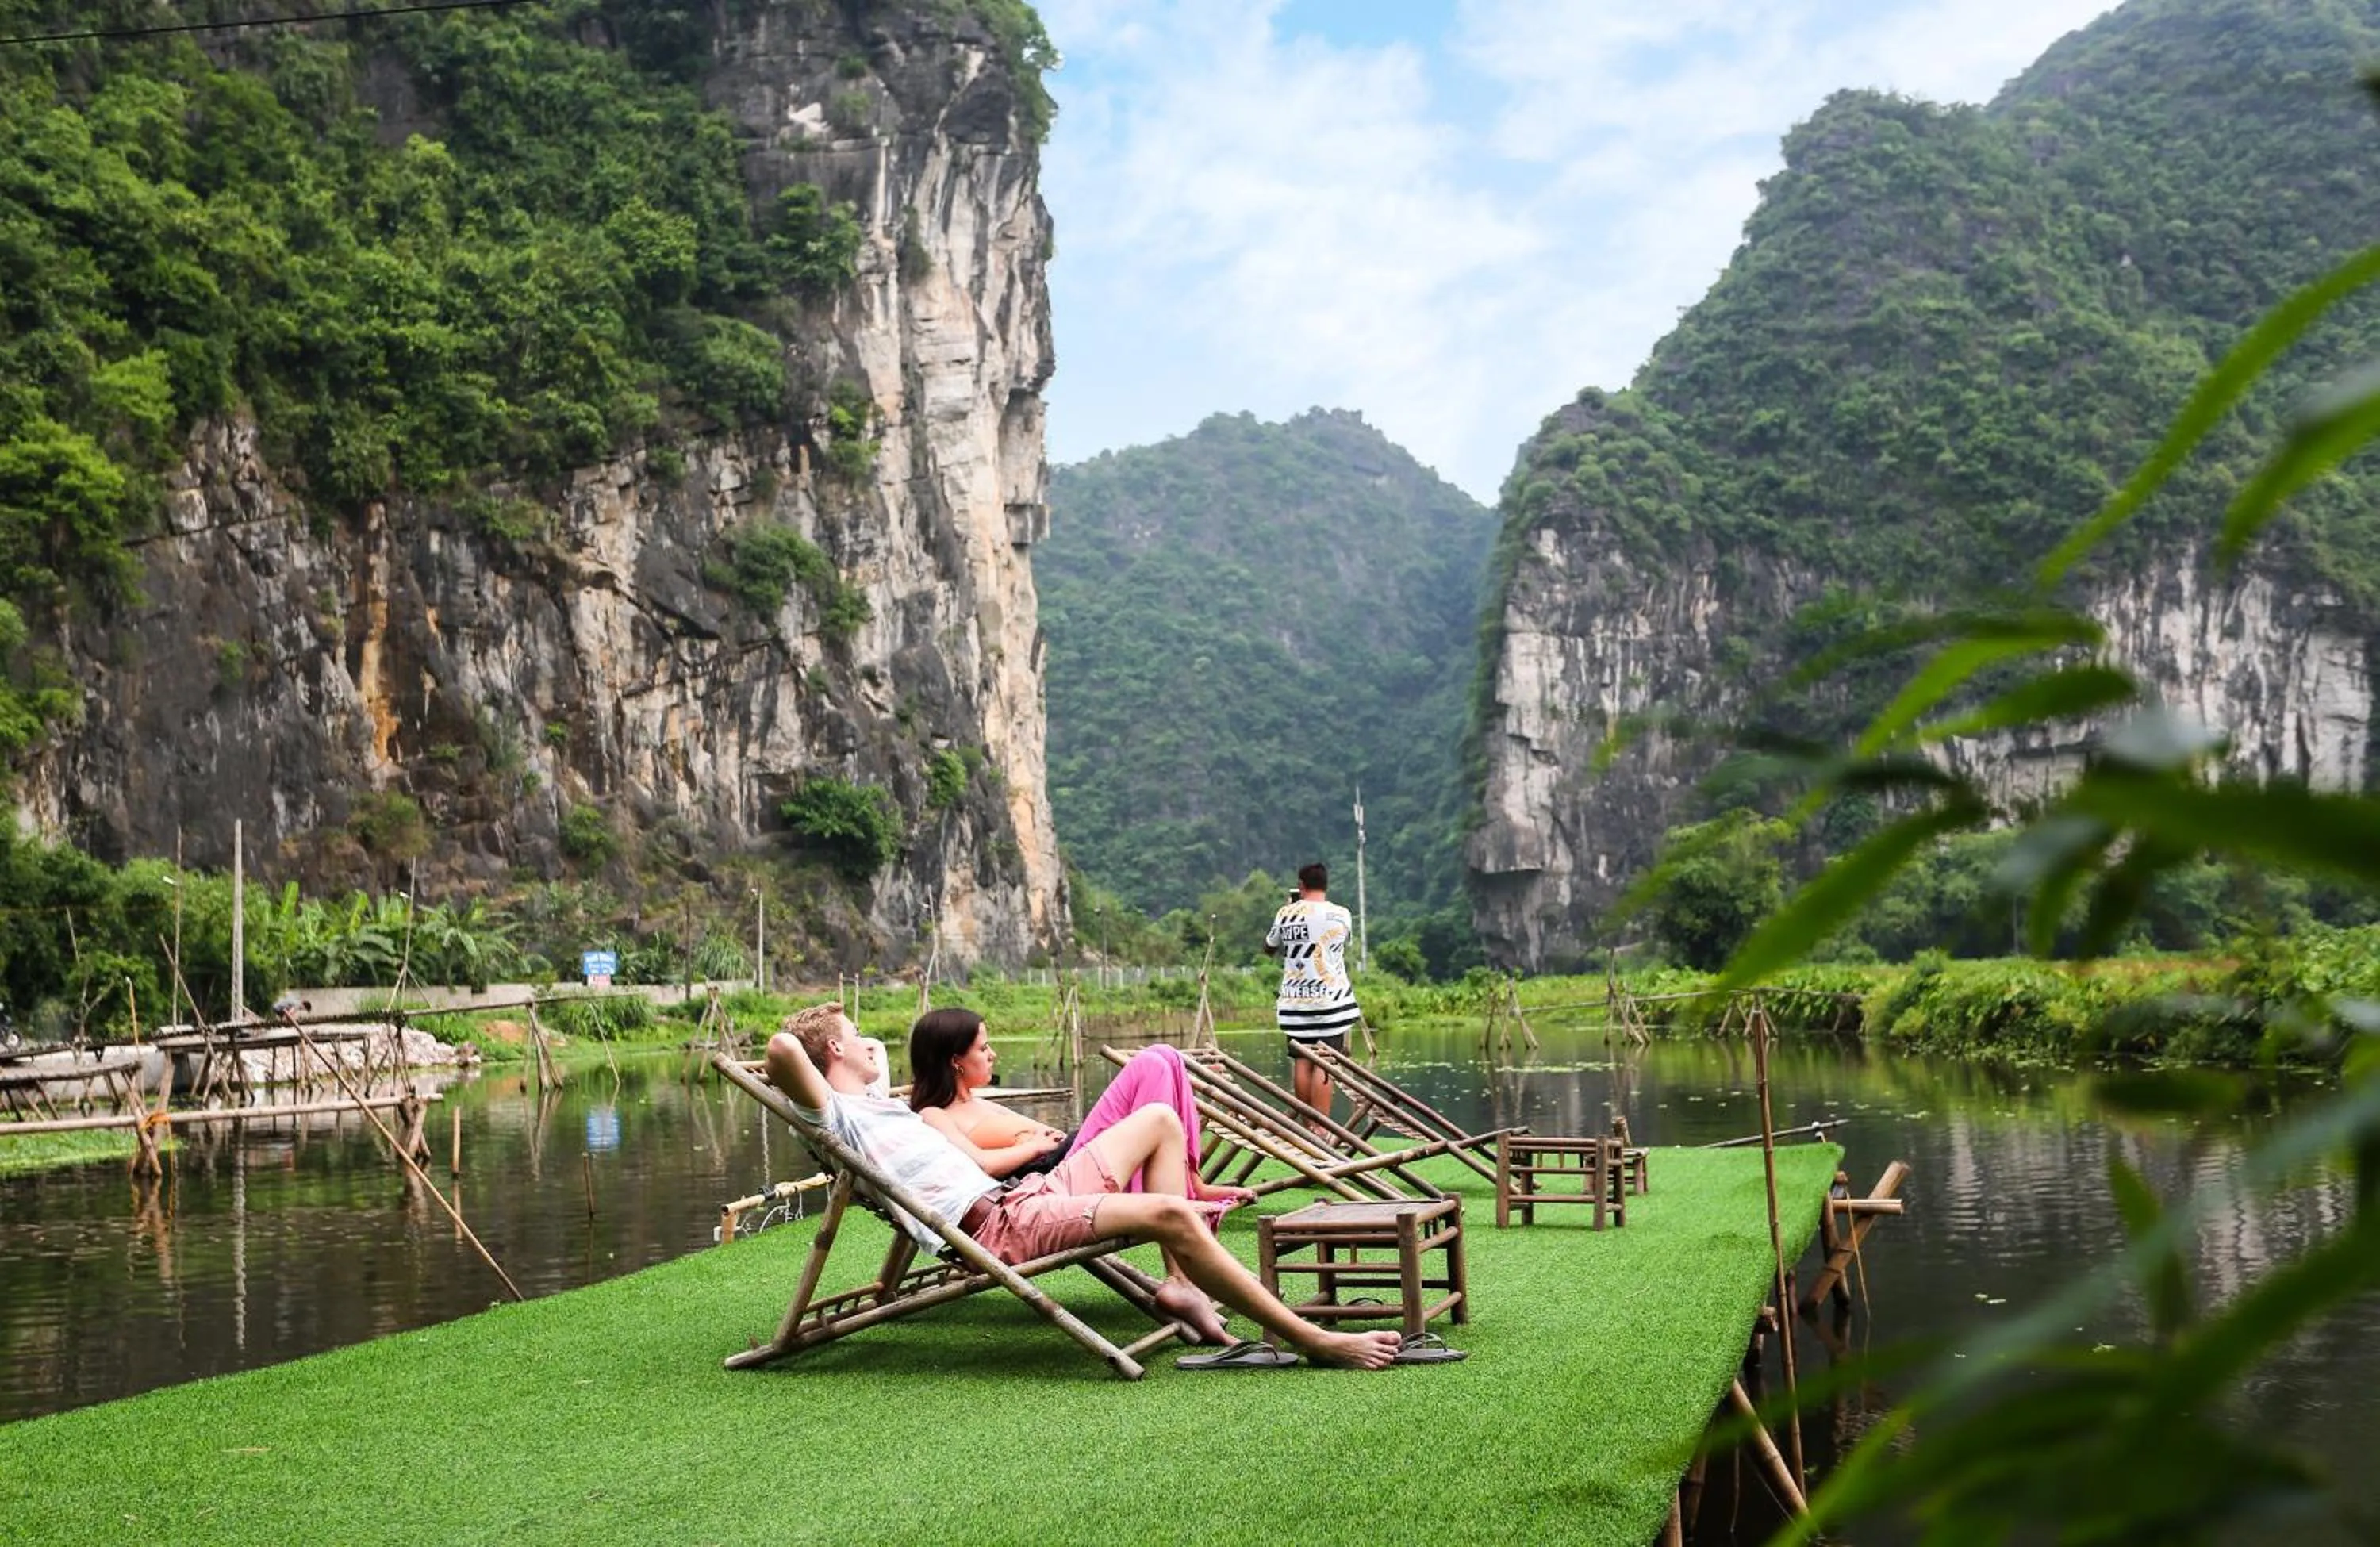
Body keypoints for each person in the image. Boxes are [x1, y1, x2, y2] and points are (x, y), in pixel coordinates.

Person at [765, 1003, 1402, 1369]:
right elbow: (780, 1049)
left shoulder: (877, 1104)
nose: (871, 1047)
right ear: (831, 1056)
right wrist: (829, 1039)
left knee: (1158, 1119)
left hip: (1027, 1196)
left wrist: (855, 1045)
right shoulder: (835, 1114)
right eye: (855, 1041)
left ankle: (1180, 1286)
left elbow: (836, 1051)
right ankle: (1315, 1341)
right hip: (995, 1227)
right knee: (1170, 1214)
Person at [907, 1008, 1248, 1203]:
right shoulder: (934, 1114)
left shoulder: (978, 1102)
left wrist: (1045, 1138)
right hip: (1055, 1178)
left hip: (1069, 1156)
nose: (993, 1055)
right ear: (955, 1061)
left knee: (1166, 1057)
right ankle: (1178, 1186)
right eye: (983, 1049)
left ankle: (1192, 1181)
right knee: (1152, 1062)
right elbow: (981, 1165)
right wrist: (1036, 1146)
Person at [1265, 861, 1361, 1128]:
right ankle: (1323, 1129)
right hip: (1331, 1001)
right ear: (1326, 885)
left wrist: (1290, 909)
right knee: (1325, 1062)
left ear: (1301, 886)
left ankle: (1308, 1126)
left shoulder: (1286, 913)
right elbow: (1343, 945)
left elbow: (1269, 947)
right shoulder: (1341, 914)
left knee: (1302, 1059)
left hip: (1295, 1003)